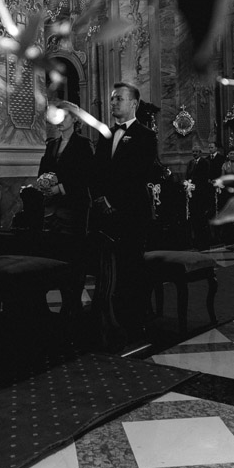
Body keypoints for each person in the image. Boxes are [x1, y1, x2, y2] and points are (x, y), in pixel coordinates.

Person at [91, 82, 158, 331]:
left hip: (132, 212)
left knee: (131, 266)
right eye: (112, 99)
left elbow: (139, 174)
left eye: (119, 98)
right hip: (105, 213)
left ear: (134, 104)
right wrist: (100, 198)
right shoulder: (105, 134)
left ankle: (134, 321)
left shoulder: (146, 136)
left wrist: (113, 201)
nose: (113, 103)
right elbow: (96, 172)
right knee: (108, 267)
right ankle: (108, 317)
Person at [37, 101, 94, 235]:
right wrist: (44, 184)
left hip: (74, 204)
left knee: (71, 244)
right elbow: (43, 170)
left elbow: (86, 175)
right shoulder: (52, 144)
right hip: (51, 206)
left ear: (75, 119)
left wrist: (60, 188)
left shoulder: (83, 144)